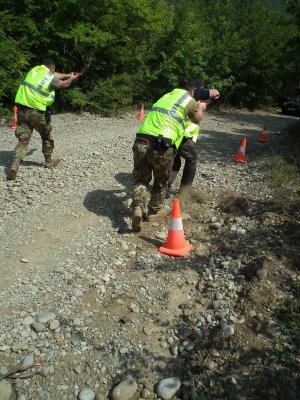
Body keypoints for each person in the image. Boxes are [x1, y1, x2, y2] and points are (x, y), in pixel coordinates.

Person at [131, 78, 207, 233]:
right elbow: (197, 119)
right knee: (160, 181)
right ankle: (153, 211)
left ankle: (138, 207)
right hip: (162, 144)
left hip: (141, 140)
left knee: (142, 179)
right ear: (192, 90)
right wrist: (199, 106)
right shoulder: (189, 99)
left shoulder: (166, 96)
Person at [7, 58, 80, 181]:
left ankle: (14, 166)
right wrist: (71, 79)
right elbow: (63, 84)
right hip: (35, 112)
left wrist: (68, 74)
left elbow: (53, 75)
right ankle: (48, 161)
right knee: (46, 135)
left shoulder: (34, 71)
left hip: (21, 111)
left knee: (23, 139)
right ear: (52, 68)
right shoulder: (49, 77)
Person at [167, 80, 220, 196]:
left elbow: (207, 101)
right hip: (183, 135)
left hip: (171, 133)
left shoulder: (179, 97)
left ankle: (166, 187)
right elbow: (214, 93)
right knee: (192, 159)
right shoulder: (195, 96)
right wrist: (212, 94)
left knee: (175, 163)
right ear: (195, 89)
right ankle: (184, 192)